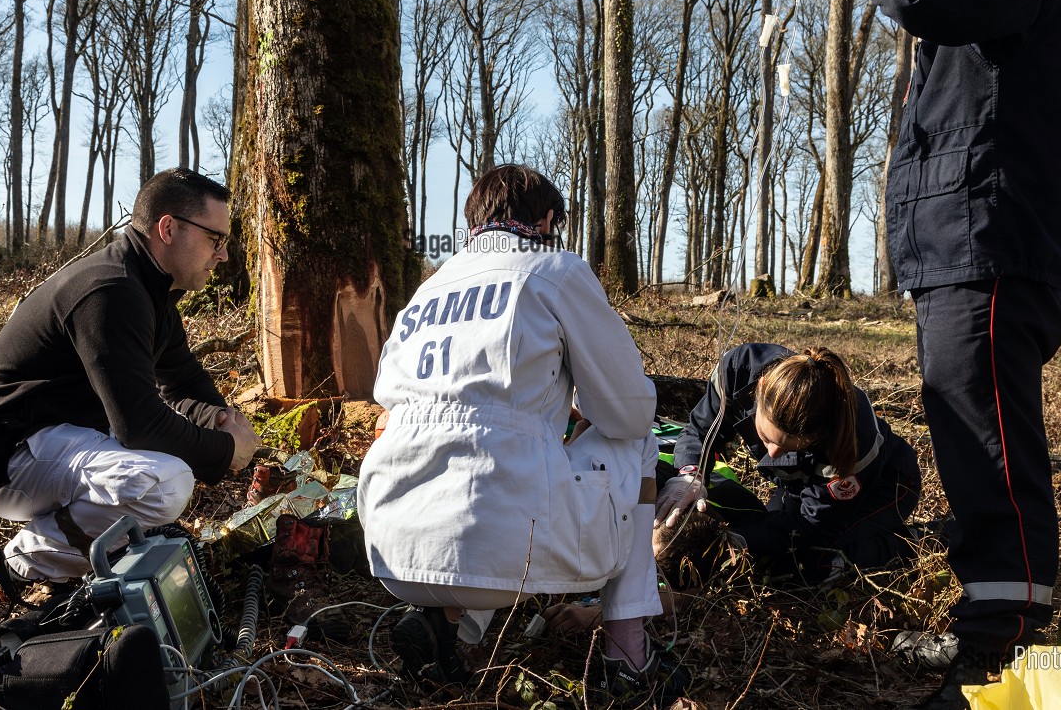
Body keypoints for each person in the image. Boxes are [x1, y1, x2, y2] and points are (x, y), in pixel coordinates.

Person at [786, 0, 1061, 708]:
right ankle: (988, 624)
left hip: (990, 241)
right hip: (959, 244)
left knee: (987, 439)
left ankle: (1004, 653)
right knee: (964, 429)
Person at [358, 164, 685, 705]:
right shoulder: (556, 270)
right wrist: (575, 411)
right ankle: (627, 660)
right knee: (637, 444)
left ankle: (448, 626)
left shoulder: (427, 290)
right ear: (549, 218)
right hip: (504, 552)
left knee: (487, 466)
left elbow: (393, 408)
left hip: (392, 549)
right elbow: (628, 413)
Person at [0, 168, 261, 585]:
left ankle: (71, 541)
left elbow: (182, 378)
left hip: (60, 441)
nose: (222, 254)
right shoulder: (110, 289)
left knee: (161, 469)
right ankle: (17, 567)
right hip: (10, 456)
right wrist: (223, 450)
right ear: (168, 228)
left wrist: (223, 419)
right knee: (164, 483)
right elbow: (138, 425)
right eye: (215, 239)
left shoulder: (150, 287)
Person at [656, 343, 921, 584]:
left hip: (884, 488)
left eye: (788, 447)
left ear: (817, 435)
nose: (771, 454)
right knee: (764, 539)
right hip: (799, 484)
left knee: (805, 568)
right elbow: (701, 430)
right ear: (758, 392)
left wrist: (738, 541)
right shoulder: (738, 371)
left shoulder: (851, 445)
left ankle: (917, 543)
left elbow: (812, 527)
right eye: (766, 438)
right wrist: (691, 473)